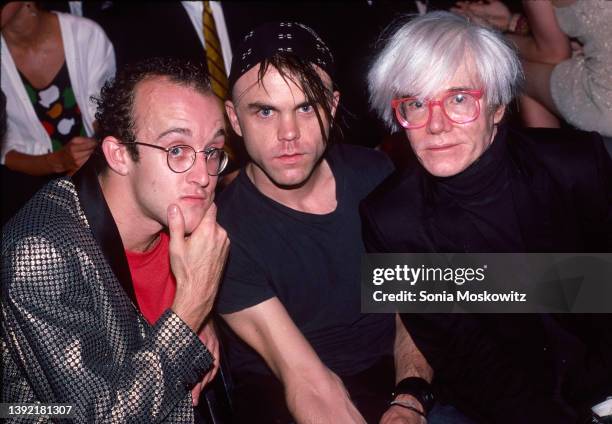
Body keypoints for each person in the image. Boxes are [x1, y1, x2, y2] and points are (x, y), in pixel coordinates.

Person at [362, 11, 612, 424]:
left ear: (497, 106)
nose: (436, 125)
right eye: (416, 104)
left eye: (459, 99)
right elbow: (467, 362)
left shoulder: (578, 165)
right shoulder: (388, 220)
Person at [1, 57, 230, 422]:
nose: (203, 176)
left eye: (212, 151)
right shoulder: (40, 251)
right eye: (176, 150)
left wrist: (204, 318)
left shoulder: (184, 221)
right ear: (119, 154)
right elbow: (92, 415)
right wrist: (190, 316)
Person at [215, 21, 401, 423]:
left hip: (398, 377)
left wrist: (411, 396)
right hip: (283, 391)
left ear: (332, 107)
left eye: (306, 107)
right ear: (234, 118)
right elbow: (308, 382)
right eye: (265, 111)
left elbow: (418, 301)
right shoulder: (224, 230)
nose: (289, 133)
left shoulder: (376, 174)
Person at [0, 1, 115, 222]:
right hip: (27, 194)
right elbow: (5, 153)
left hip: (100, 174)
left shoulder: (85, 34)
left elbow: (108, 113)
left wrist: (93, 150)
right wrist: (56, 162)